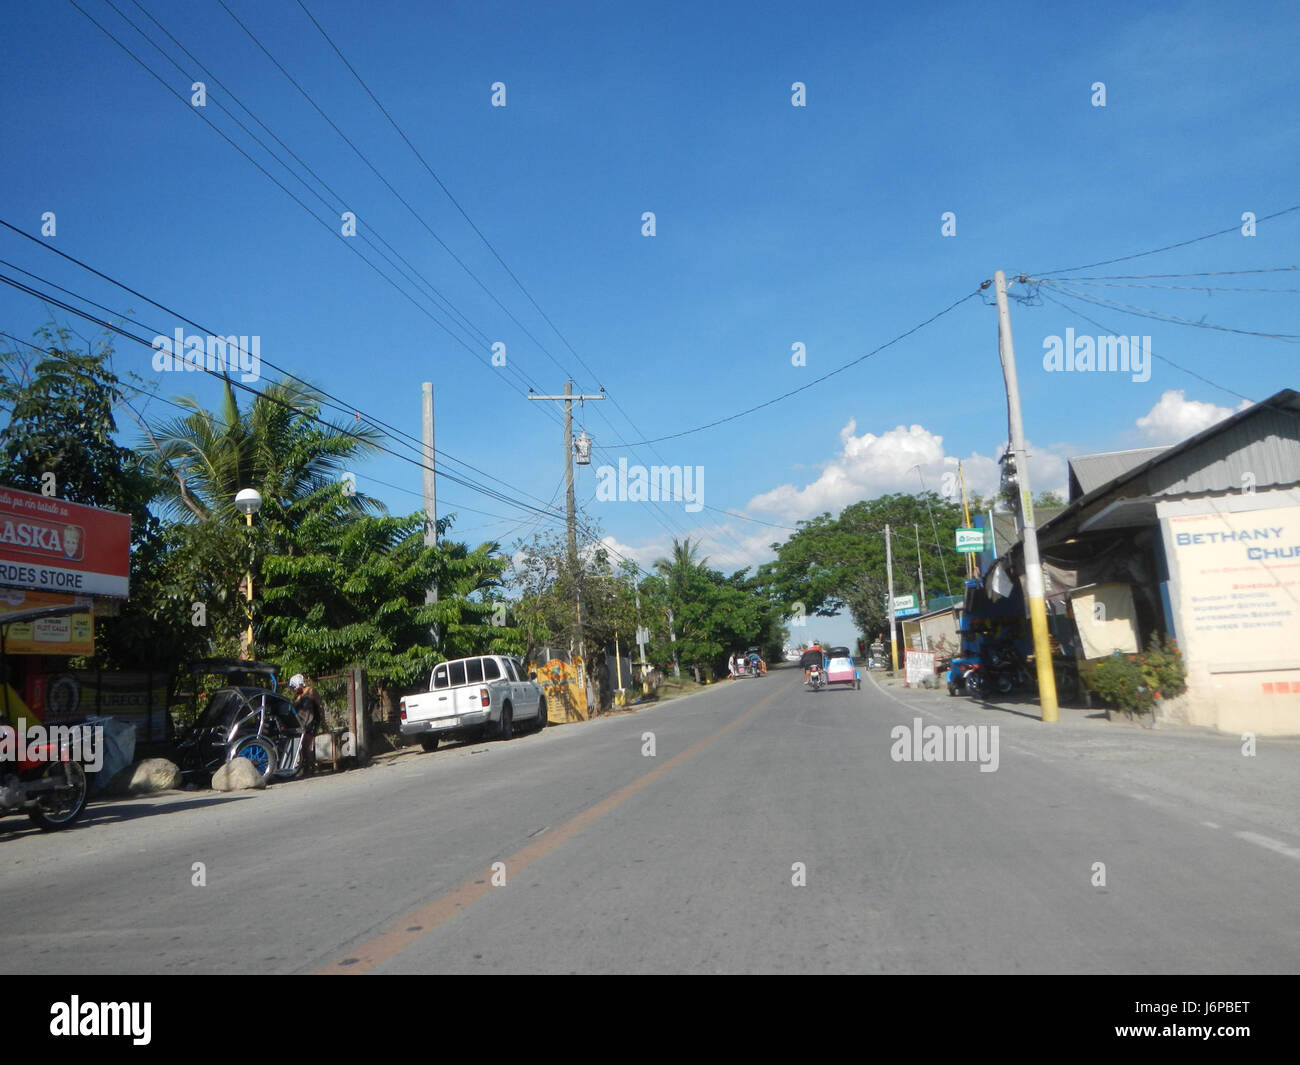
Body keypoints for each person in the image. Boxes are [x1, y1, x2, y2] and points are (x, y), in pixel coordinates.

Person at [287, 674, 323, 774]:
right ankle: (308, 766)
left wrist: (323, 721)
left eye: (294, 687)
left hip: (312, 721)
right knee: (303, 746)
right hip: (302, 723)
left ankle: (312, 767)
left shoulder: (310, 691)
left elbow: (320, 705)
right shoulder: (299, 696)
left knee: (306, 745)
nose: (294, 690)